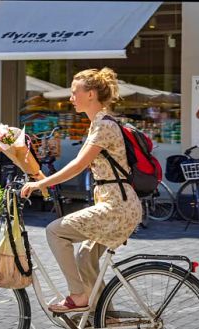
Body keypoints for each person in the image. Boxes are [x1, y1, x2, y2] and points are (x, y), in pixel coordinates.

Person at [21, 68, 142, 313]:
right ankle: (107, 320)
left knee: (55, 232)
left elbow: (79, 165)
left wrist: (42, 184)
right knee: (86, 260)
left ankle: (78, 296)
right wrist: (41, 178)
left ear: (91, 94)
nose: (70, 98)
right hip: (115, 204)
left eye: (75, 92)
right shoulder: (99, 123)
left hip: (117, 207)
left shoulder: (104, 126)